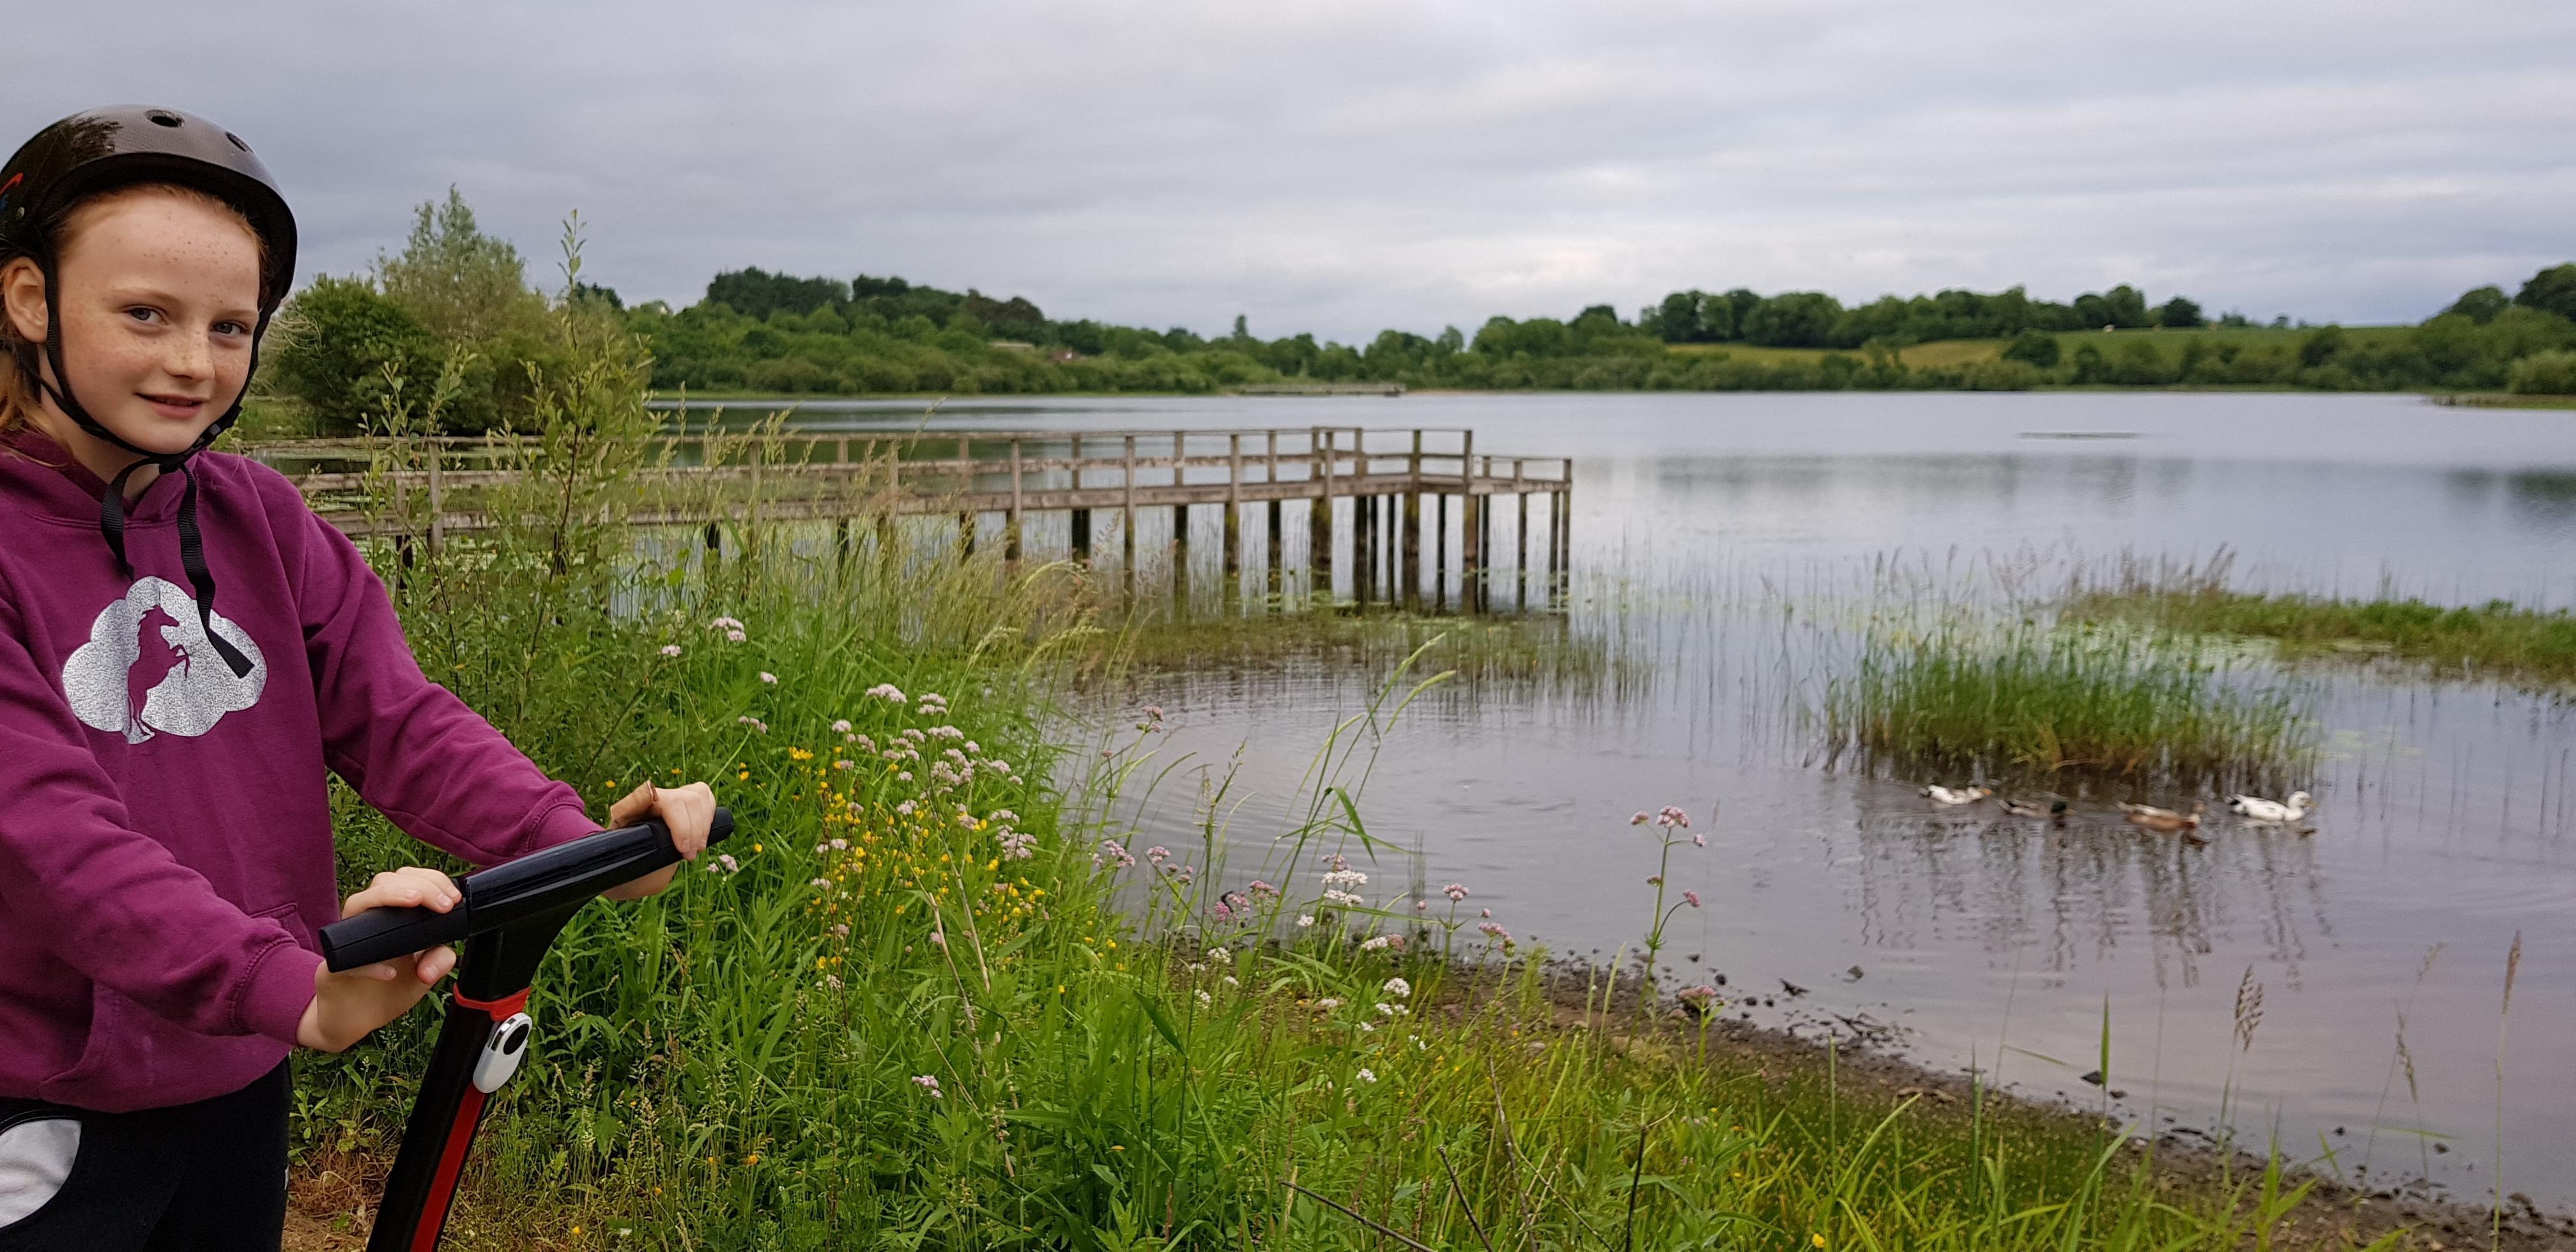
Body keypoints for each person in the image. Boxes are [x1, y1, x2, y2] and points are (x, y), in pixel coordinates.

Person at [0, 105, 716, 1249]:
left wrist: (572, 842)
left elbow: (399, 720)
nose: (194, 362)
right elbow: (41, 835)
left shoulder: (262, 521)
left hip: (235, 1065)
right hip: (42, 1086)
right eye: (146, 313)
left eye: (232, 327)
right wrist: (287, 985)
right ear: (31, 299)